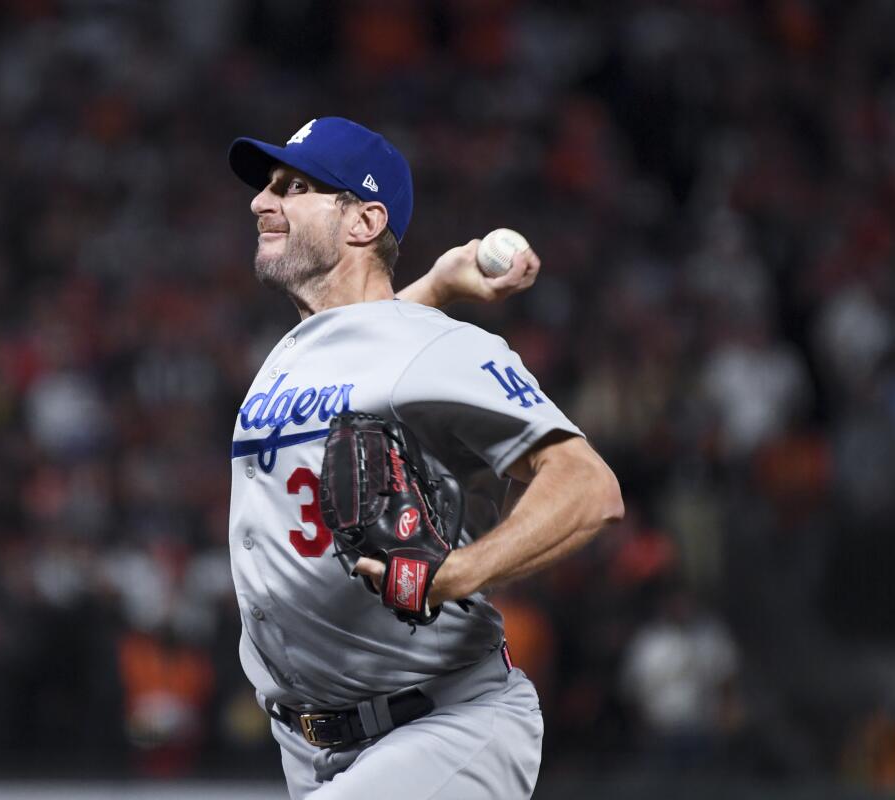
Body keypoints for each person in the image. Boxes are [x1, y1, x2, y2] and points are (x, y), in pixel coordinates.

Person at [226, 117, 623, 799]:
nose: (263, 202)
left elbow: (591, 489)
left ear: (363, 220)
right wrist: (437, 280)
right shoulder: (305, 350)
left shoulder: (439, 348)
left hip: (442, 728)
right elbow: (376, 357)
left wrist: (455, 573)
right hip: (312, 749)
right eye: (267, 187)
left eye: (293, 188)